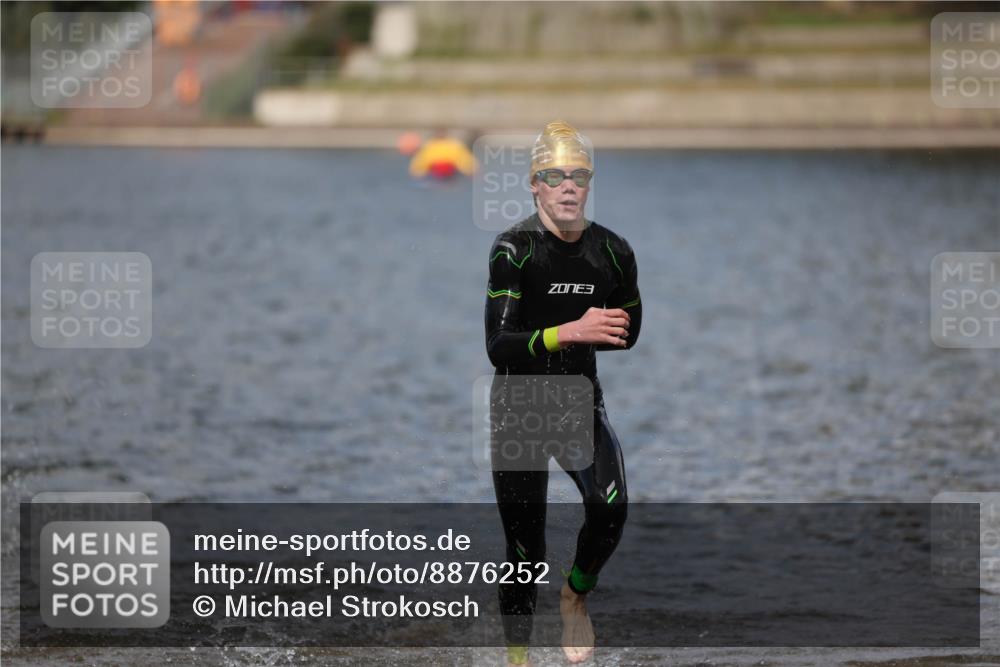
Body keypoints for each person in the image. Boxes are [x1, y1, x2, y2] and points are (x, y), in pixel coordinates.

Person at [484, 120, 642, 666]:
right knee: (524, 555)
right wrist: (569, 330)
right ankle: (517, 662)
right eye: (555, 176)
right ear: (535, 184)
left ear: (589, 183)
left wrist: (601, 328)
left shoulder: (614, 252)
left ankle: (575, 594)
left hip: (577, 401)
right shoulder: (514, 249)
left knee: (610, 506)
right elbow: (498, 346)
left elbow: (628, 332)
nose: (569, 186)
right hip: (519, 411)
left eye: (579, 175)